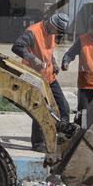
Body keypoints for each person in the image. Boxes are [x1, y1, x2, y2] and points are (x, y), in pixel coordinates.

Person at [12, 12, 71, 152]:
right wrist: (33, 59)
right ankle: (38, 143)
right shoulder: (33, 31)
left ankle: (62, 139)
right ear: (51, 23)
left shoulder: (53, 33)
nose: (57, 35)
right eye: (57, 31)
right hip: (34, 77)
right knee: (40, 109)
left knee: (64, 107)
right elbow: (17, 47)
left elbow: (47, 52)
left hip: (49, 76)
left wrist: (54, 63)